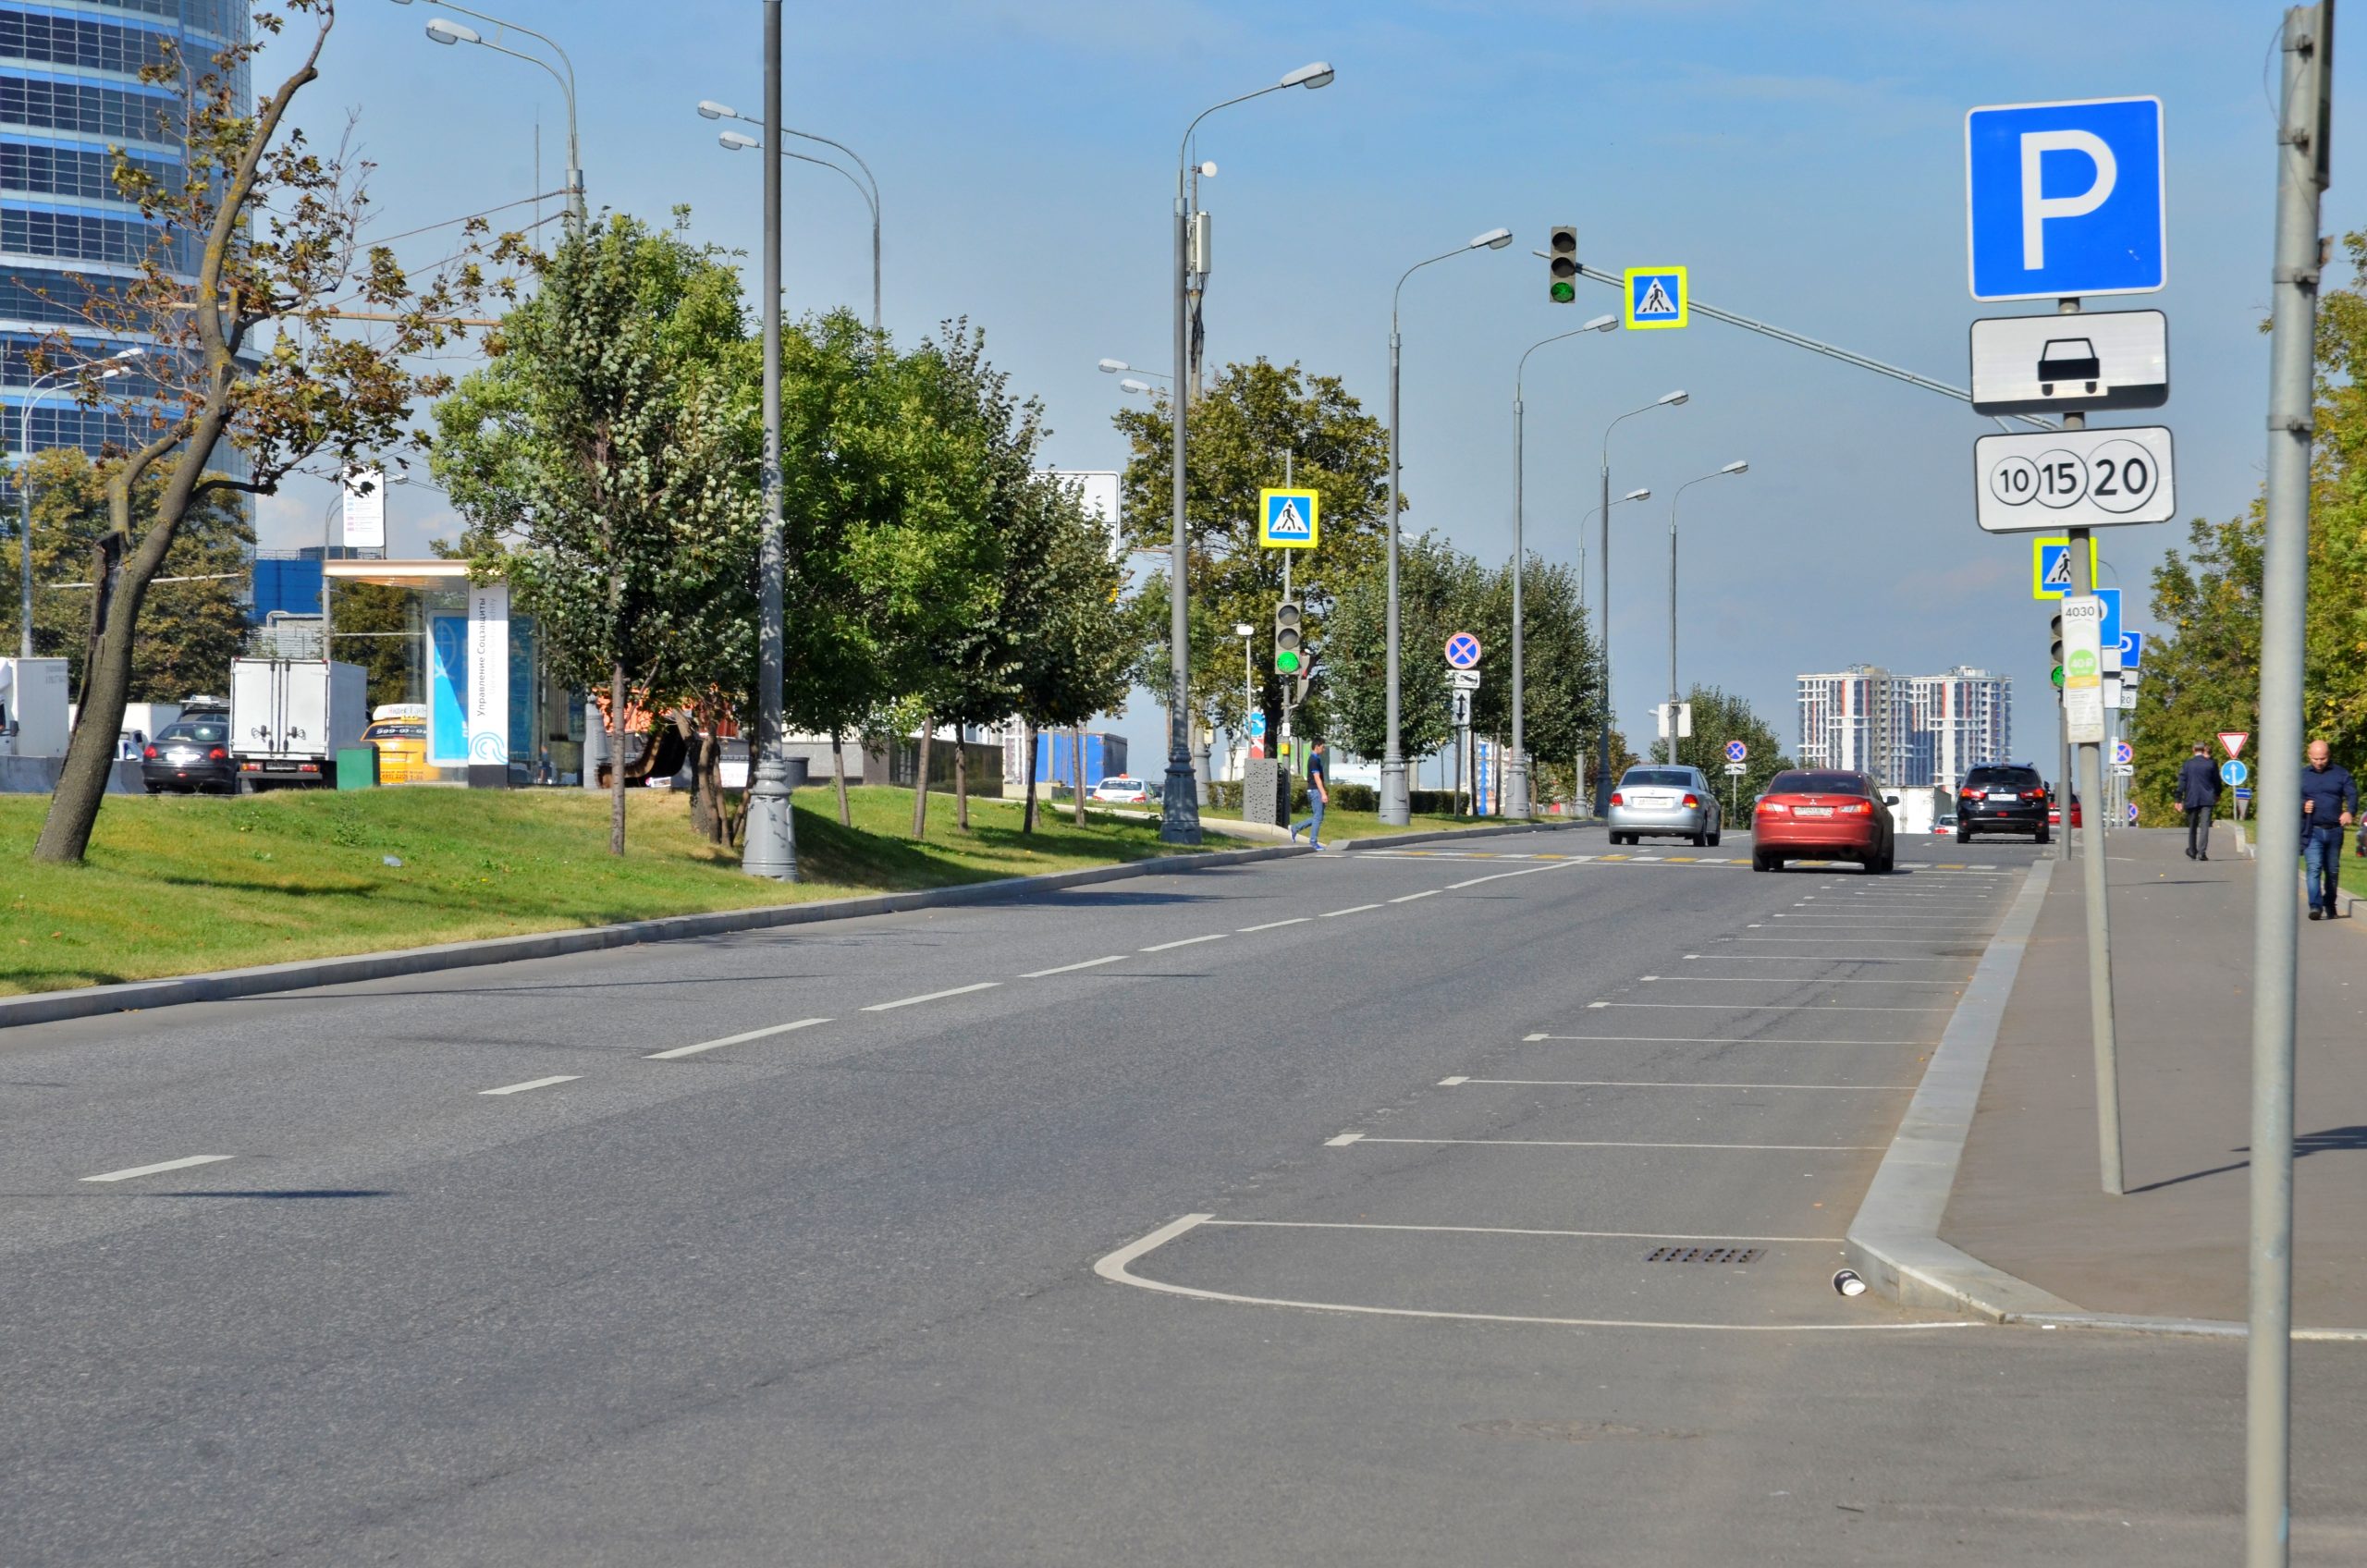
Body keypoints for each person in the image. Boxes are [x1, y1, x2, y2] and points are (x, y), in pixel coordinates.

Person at [2300, 739, 2356, 921]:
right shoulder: (2302, 775)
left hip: (2334, 830)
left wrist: (2349, 812)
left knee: (2332, 870)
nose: (2319, 762)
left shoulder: (2340, 774)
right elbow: (2291, 796)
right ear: (2309, 756)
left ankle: (2330, 904)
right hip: (2312, 829)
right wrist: (2302, 805)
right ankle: (2315, 906)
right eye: (2315, 759)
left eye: (2322, 758)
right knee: (2314, 867)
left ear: (2328, 756)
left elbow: (2353, 793)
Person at [2177, 741, 2221, 860]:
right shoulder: (2211, 764)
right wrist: (2218, 794)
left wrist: (2178, 799)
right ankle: (2202, 852)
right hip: (2208, 798)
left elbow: (2182, 782)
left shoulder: (2187, 764)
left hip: (2191, 798)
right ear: (2203, 750)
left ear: (2193, 750)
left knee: (2192, 825)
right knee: (2205, 825)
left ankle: (2192, 850)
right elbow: (2217, 781)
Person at [1289, 738, 1330, 850]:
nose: (1324, 749)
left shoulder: (1315, 759)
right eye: (1322, 747)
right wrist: (1323, 793)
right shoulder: (1314, 760)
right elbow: (1317, 778)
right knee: (1318, 817)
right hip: (1315, 791)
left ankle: (1295, 828)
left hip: (1315, 790)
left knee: (1318, 817)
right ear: (1317, 746)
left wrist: (1324, 792)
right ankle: (1313, 841)